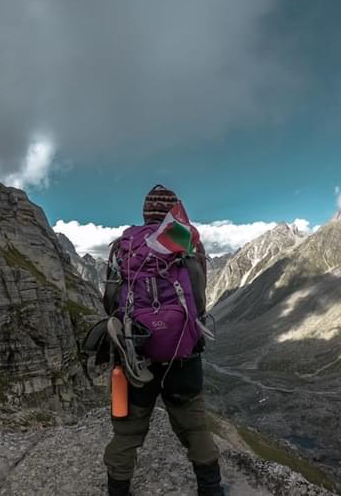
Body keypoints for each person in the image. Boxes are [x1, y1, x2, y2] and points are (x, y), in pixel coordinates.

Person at [102, 185, 224, 496]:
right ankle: (210, 490)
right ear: (174, 213)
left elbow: (111, 302)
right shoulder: (186, 243)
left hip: (136, 355)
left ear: (145, 213)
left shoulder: (123, 247)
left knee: (128, 432)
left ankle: (117, 491)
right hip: (183, 355)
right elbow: (198, 300)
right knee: (195, 426)